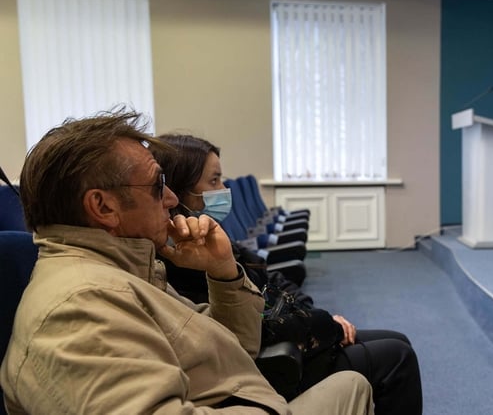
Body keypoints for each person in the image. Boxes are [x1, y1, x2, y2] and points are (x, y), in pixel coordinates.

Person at [0, 111, 374, 414]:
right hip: (244, 403)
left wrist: (223, 273)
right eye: (157, 185)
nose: (171, 199)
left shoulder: (128, 269)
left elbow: (237, 348)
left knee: (353, 383)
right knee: (360, 380)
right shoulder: (80, 308)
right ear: (103, 207)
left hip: (231, 395)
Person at [150, 134, 423, 415]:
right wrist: (327, 324)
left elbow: (269, 278)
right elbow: (248, 332)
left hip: (291, 338)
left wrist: (312, 314)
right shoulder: (180, 261)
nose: (224, 190)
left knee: (398, 341)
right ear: (177, 192)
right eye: (214, 181)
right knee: (398, 357)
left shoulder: (210, 236)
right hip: (271, 366)